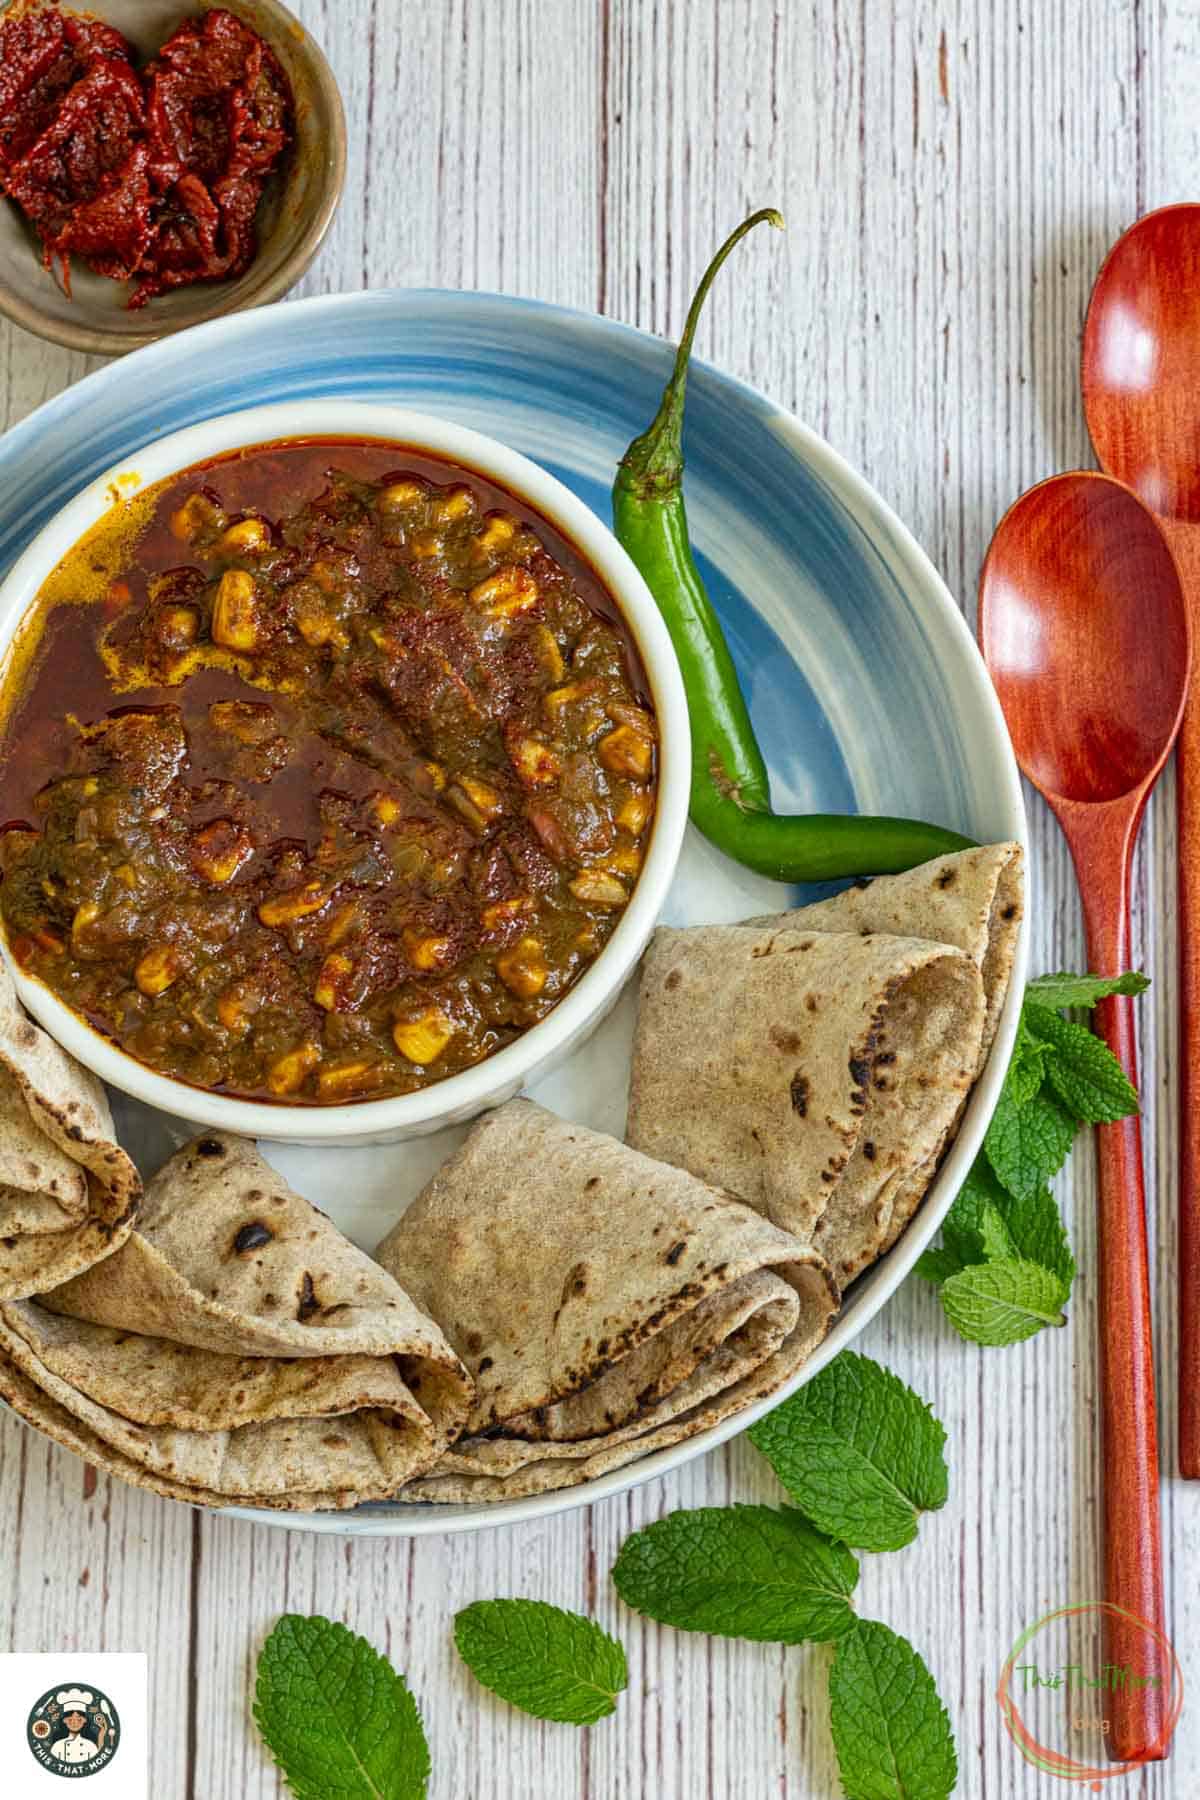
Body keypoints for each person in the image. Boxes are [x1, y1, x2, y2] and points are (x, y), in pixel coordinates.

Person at [49, 1689, 100, 1764]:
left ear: (84, 1721)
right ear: (64, 1721)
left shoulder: (90, 1746)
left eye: (79, 1719)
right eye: (70, 1720)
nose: (75, 1723)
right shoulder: (57, 1746)